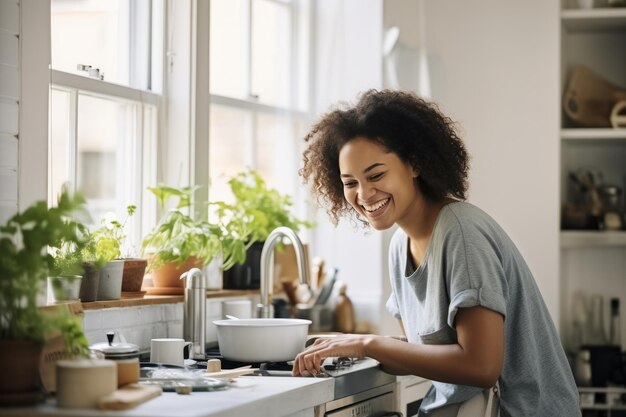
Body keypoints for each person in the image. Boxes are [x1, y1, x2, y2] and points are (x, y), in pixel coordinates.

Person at [294, 89, 580, 416]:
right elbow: (425, 355)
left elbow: (480, 366)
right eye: (350, 182)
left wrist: (367, 344)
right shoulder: (400, 247)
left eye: (375, 175)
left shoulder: (461, 232)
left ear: (414, 164)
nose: (364, 193)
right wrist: (350, 347)